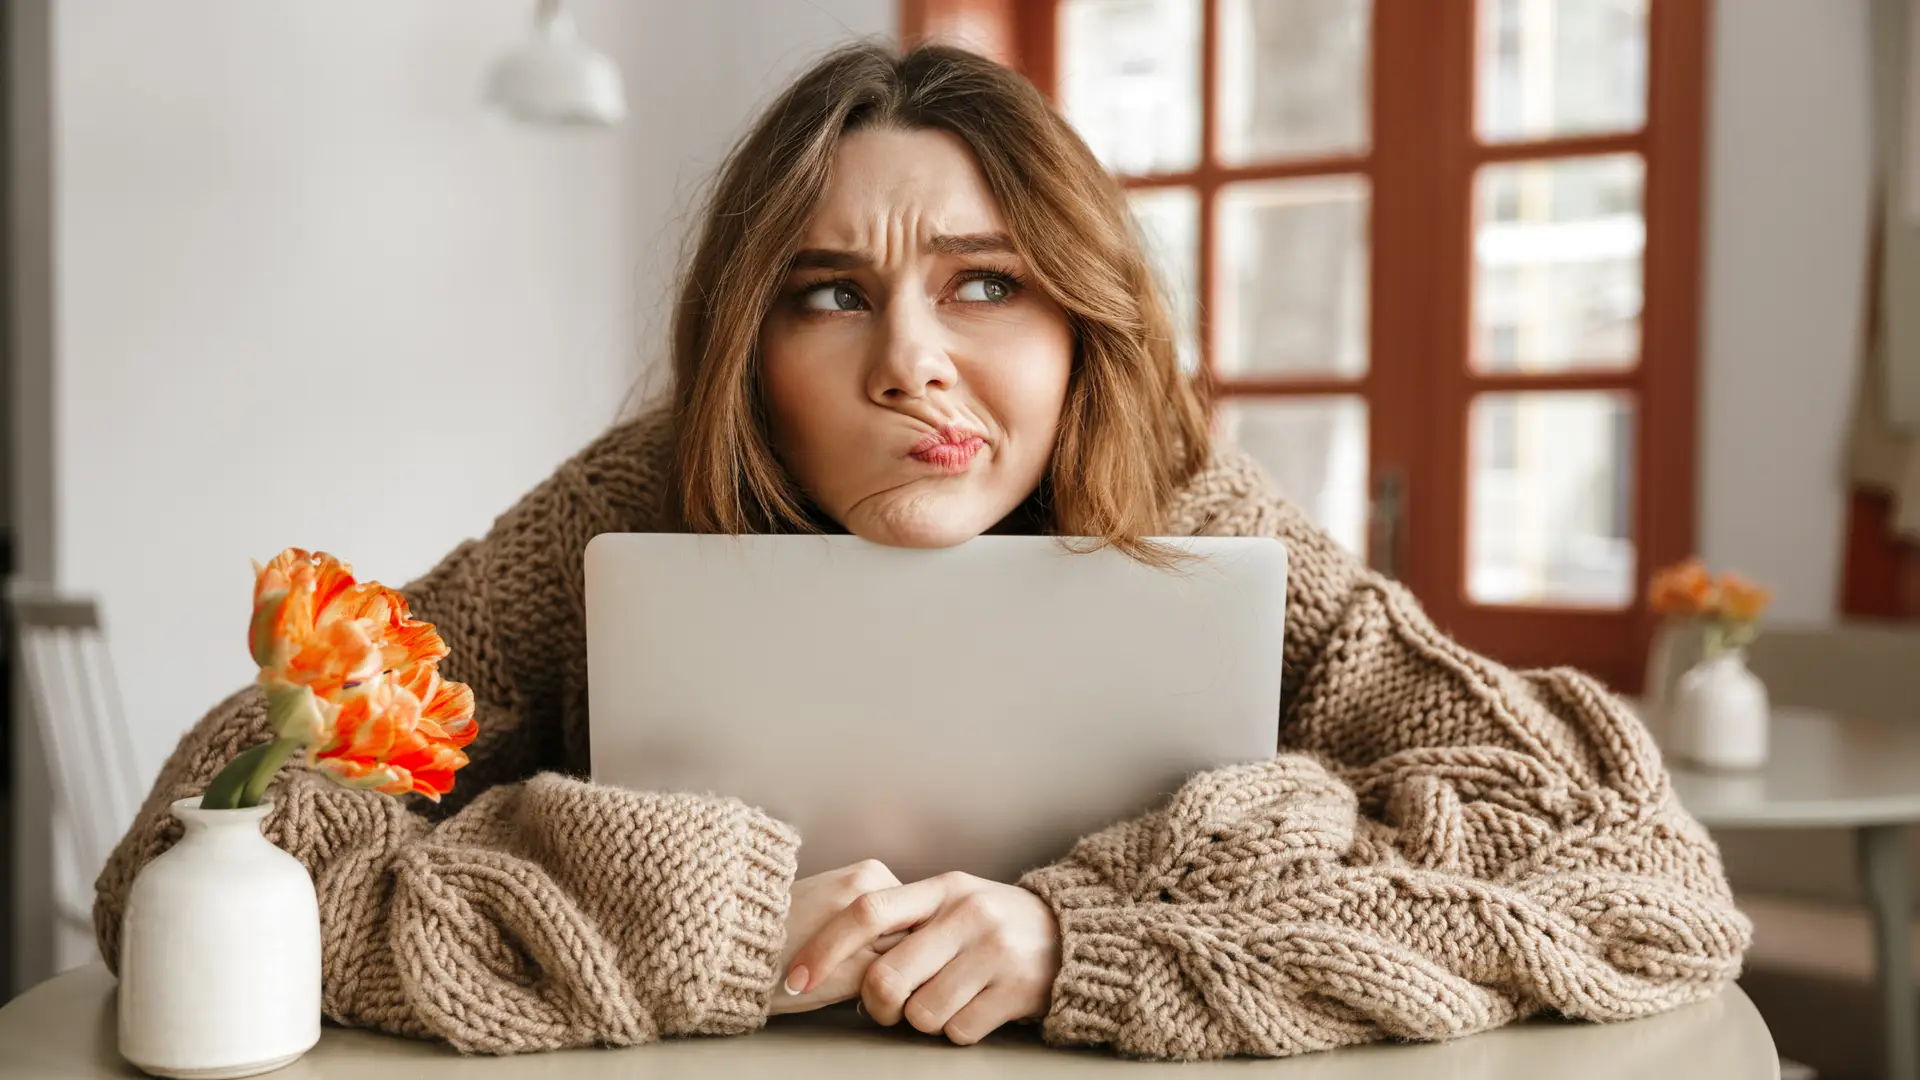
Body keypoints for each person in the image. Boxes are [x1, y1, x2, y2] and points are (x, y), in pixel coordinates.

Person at [94, 41, 1749, 1060]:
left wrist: (1090, 947)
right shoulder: (627, 507)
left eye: (984, 281)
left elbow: (1632, 880)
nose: (911, 362)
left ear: (1079, 322)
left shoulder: (1189, 511)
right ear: (752, 349)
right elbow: (190, 862)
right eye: (831, 293)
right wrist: (705, 923)